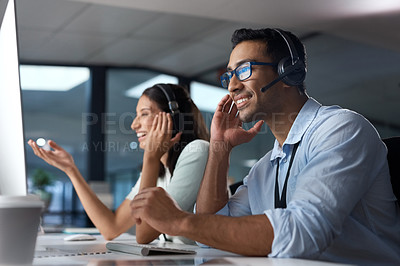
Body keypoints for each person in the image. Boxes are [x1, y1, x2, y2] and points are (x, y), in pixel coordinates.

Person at [130, 28, 400, 264]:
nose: (232, 86)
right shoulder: (265, 168)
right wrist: (220, 148)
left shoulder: (341, 129)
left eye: (244, 70)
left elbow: (302, 233)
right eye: (229, 76)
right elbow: (210, 238)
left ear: (288, 72)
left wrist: (179, 221)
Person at [28, 83, 209, 244]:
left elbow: (144, 235)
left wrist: (150, 159)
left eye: (144, 114)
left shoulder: (197, 150)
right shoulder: (159, 170)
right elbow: (111, 228)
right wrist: (71, 170)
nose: (134, 125)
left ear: (174, 120)